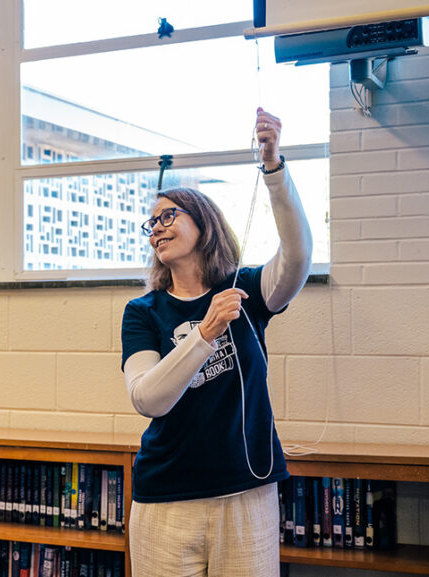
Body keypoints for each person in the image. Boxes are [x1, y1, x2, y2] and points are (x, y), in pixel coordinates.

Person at [121, 107, 312, 576]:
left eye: (169, 215)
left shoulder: (244, 290)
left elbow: (299, 256)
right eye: (151, 223)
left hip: (247, 494)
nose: (158, 228)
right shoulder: (143, 312)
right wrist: (204, 334)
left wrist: (273, 169)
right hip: (166, 500)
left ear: (203, 222)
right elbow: (148, 398)